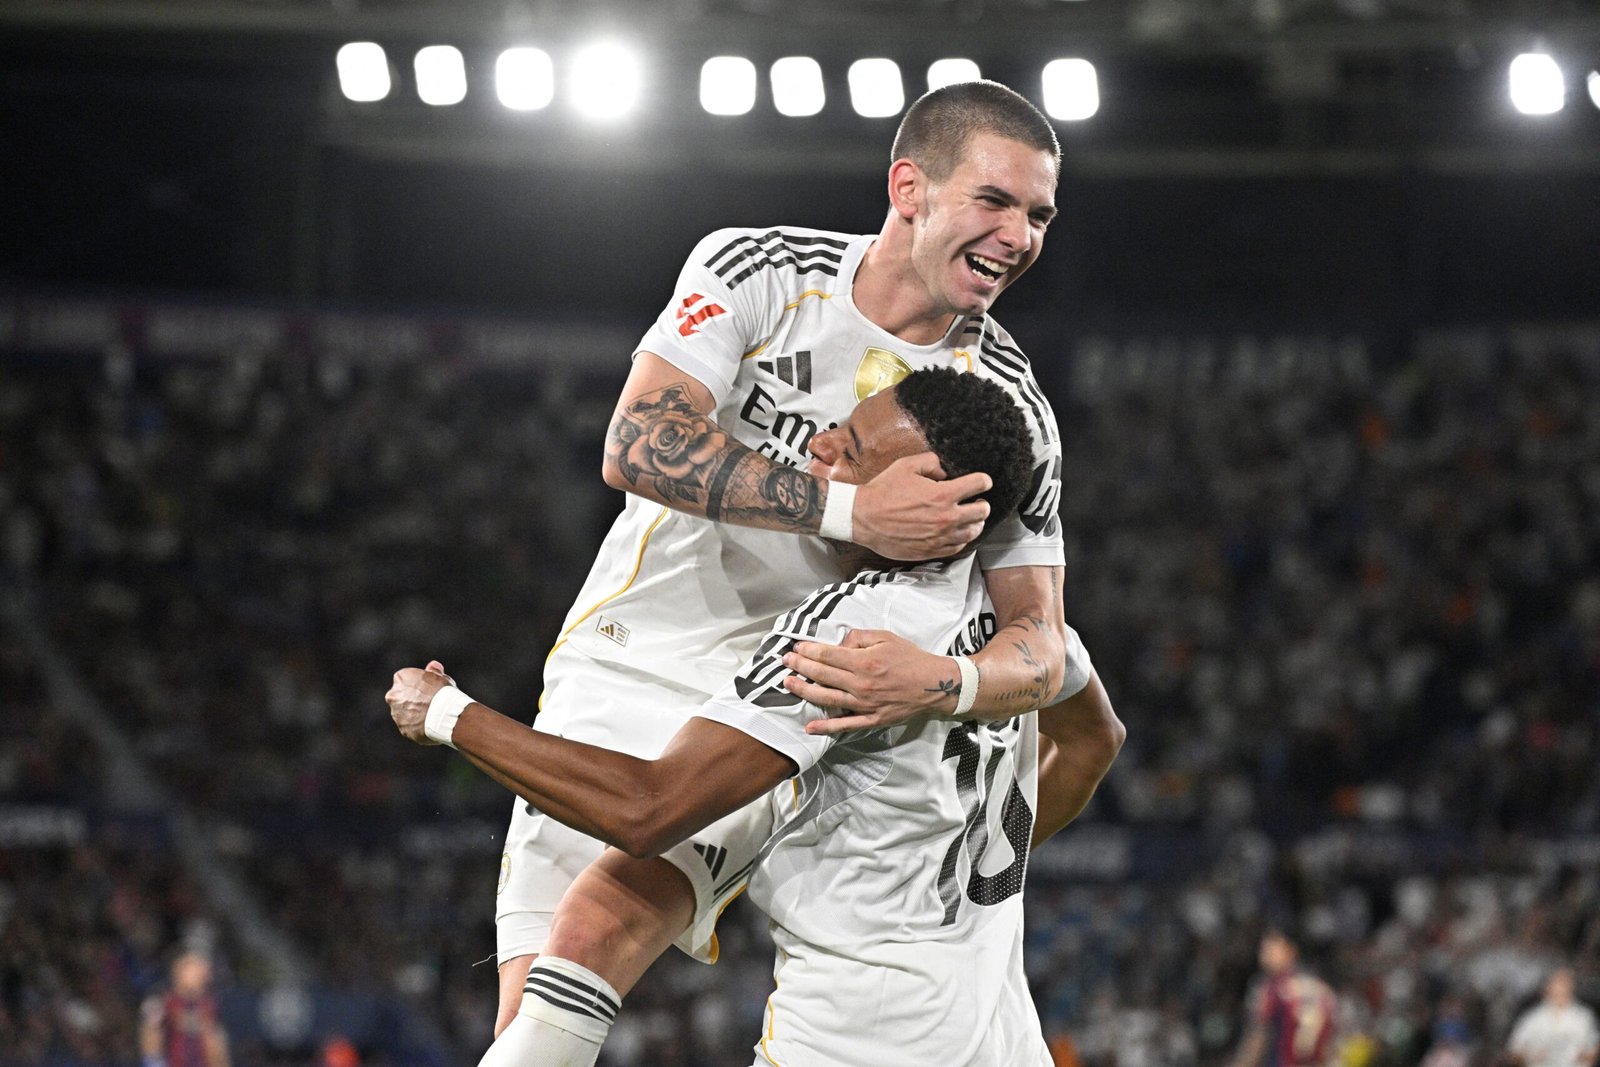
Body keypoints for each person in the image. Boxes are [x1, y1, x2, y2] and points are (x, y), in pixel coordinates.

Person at [485, 76, 1101, 1043]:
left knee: (597, 930)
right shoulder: (761, 271)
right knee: (530, 1005)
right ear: (909, 188)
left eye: (1039, 215)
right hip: (631, 654)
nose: (1019, 236)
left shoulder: (1009, 407)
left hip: (786, 704)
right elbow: (636, 443)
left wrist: (947, 682)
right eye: (995, 201)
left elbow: (1041, 639)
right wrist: (855, 509)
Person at [389, 368, 1122, 1066]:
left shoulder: (847, 634)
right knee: (601, 913)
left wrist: (448, 714)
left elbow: (647, 809)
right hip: (1005, 1043)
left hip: (850, 1047)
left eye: (850, 451)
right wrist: (968, 859)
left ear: (929, 494)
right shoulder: (1022, 636)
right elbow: (1096, 739)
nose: (817, 447)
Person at [1232, 928, 1339, 1067]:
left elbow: (1258, 1039)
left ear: (1291, 951)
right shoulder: (1322, 988)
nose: (1264, 954)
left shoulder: (1274, 987)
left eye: (1271, 948)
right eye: (1263, 948)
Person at [139, 952, 230, 1067]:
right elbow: (151, 1033)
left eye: (202, 974)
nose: (202, 978)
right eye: (195, 972)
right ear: (180, 974)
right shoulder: (162, 1000)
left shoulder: (209, 1004)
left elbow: (216, 1043)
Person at [1506, 967, 1600, 1067]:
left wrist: (1584, 1057)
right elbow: (1514, 1052)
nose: (1561, 989)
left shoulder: (1584, 1017)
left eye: (1565, 984)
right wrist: (1528, 1057)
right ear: (1548, 987)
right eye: (1557, 984)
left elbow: (1594, 1048)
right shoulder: (1532, 1018)